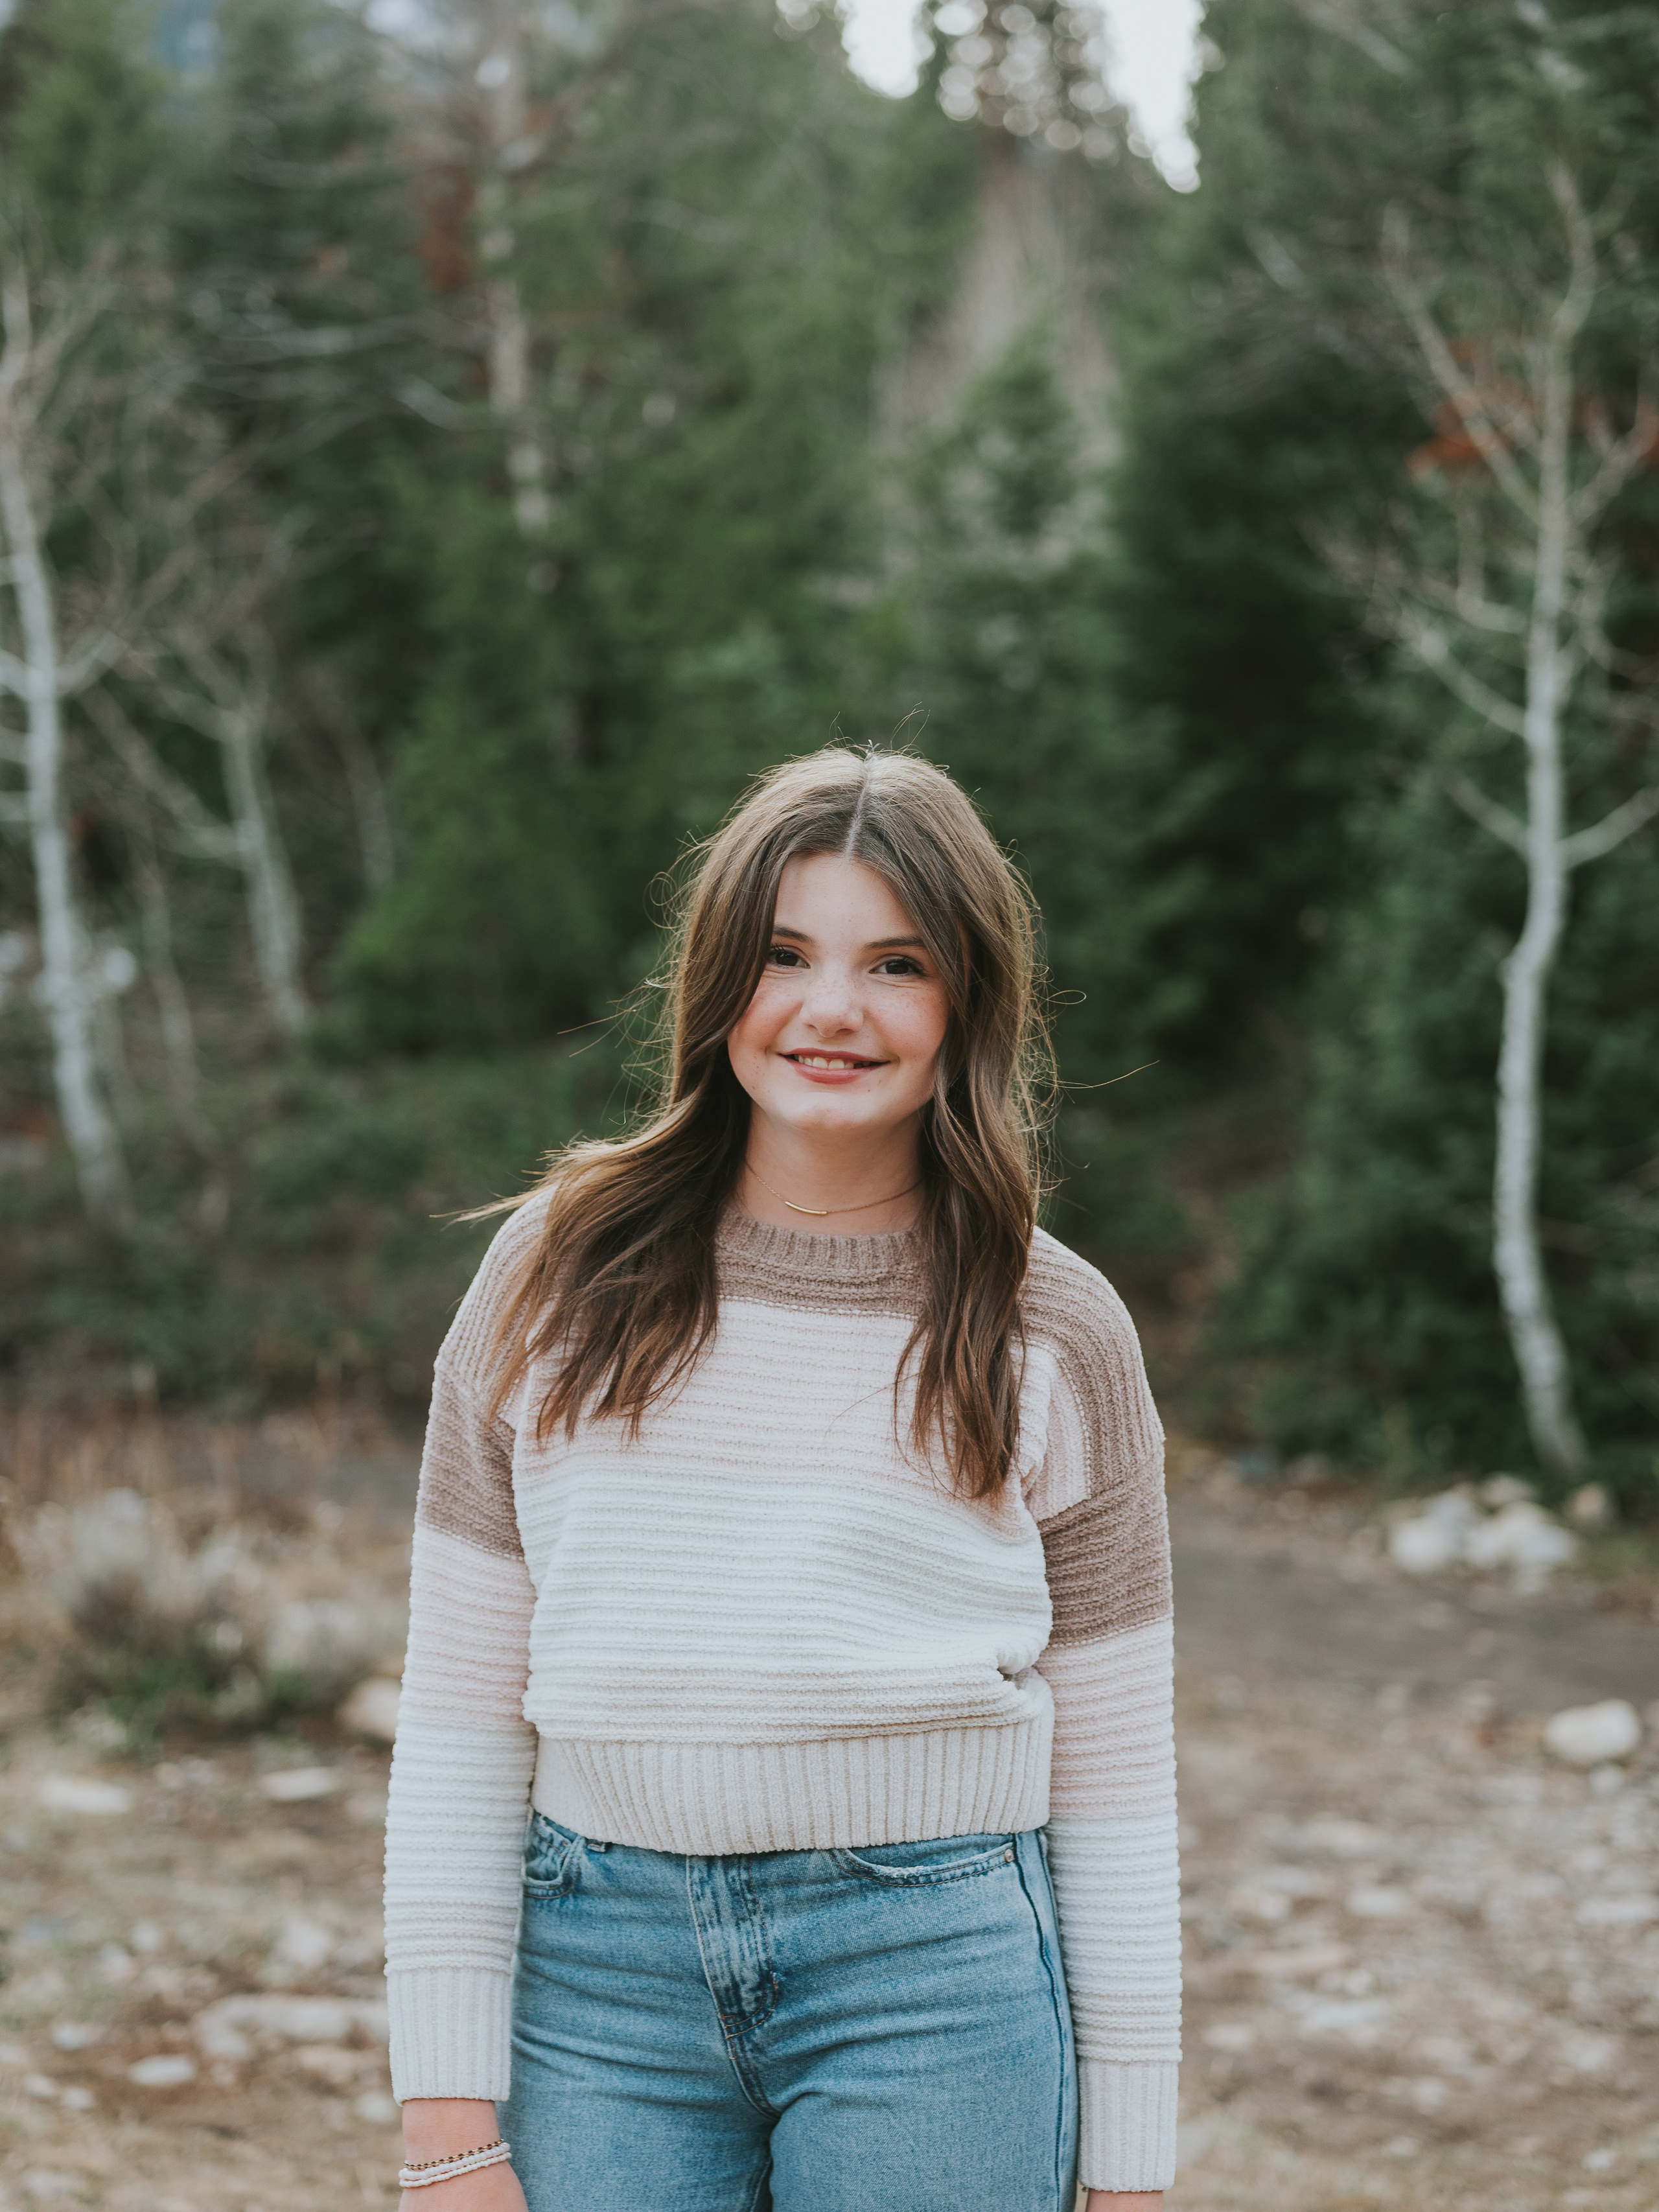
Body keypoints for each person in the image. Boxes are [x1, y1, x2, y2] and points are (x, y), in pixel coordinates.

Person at [384, 747, 1180, 2211]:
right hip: (594, 1985)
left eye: (893, 963)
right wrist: (448, 2129)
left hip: (933, 1982)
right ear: (713, 987)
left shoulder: (1053, 1326)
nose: (830, 1008)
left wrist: (1127, 2169)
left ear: (965, 1004)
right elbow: (456, 1710)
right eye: (782, 956)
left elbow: (1118, 1778)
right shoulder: (552, 1275)